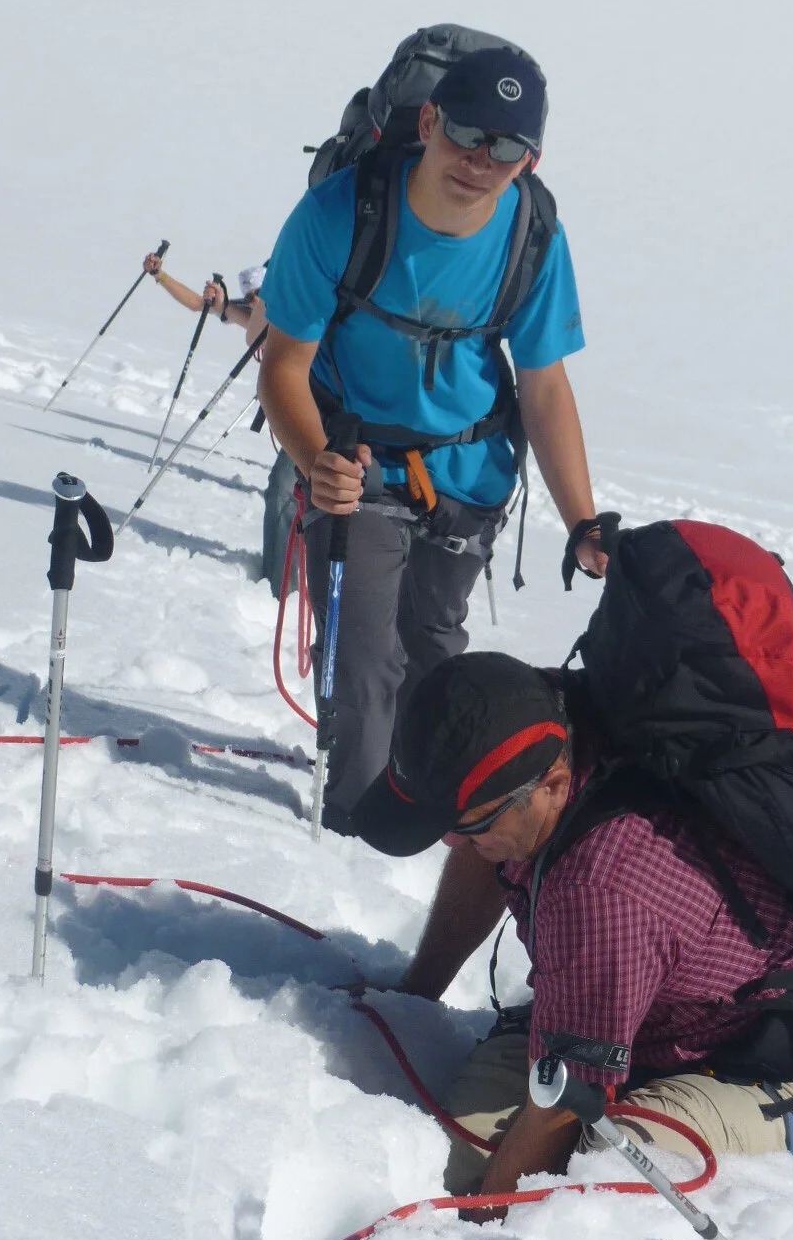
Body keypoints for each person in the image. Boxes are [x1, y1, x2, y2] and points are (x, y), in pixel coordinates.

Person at [351, 653, 793, 1209]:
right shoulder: (543, 719)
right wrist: (412, 998)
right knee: (466, 1158)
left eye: (470, 827)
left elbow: (563, 1105)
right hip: (633, 1011)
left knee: (608, 1175)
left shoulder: (603, 889)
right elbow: (480, 831)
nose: (451, 845)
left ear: (555, 785)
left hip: (779, 1068)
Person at [257, 44, 608, 830]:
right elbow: (284, 363)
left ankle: (440, 812)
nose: (481, 161)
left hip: (472, 477)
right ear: (429, 121)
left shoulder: (535, 236)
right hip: (358, 462)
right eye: (466, 134)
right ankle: (356, 823)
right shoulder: (341, 212)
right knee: (363, 658)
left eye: (507, 148)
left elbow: (546, 386)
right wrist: (316, 463)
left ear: (531, 158)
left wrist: (583, 520)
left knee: (436, 649)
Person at [143, 250, 263, 332]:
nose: (255, 300)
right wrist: (159, 274)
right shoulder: (247, 308)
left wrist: (225, 308)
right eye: (249, 298)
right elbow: (197, 303)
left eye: (260, 293)